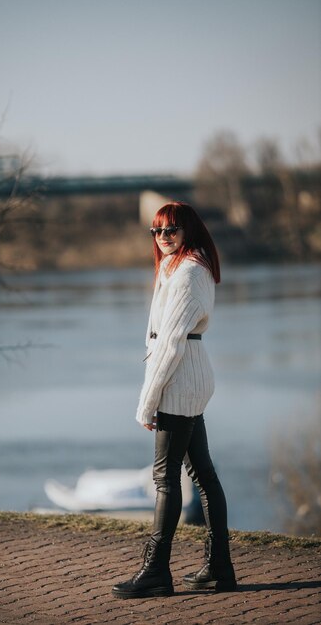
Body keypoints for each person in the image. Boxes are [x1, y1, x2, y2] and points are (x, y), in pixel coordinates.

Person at [112, 201, 237, 598]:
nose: (163, 238)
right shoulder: (176, 268)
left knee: (165, 479)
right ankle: (219, 568)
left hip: (180, 381)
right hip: (188, 377)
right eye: (157, 231)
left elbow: (169, 345)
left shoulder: (187, 273)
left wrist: (146, 403)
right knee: (202, 473)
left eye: (171, 230)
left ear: (188, 231)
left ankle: (155, 572)